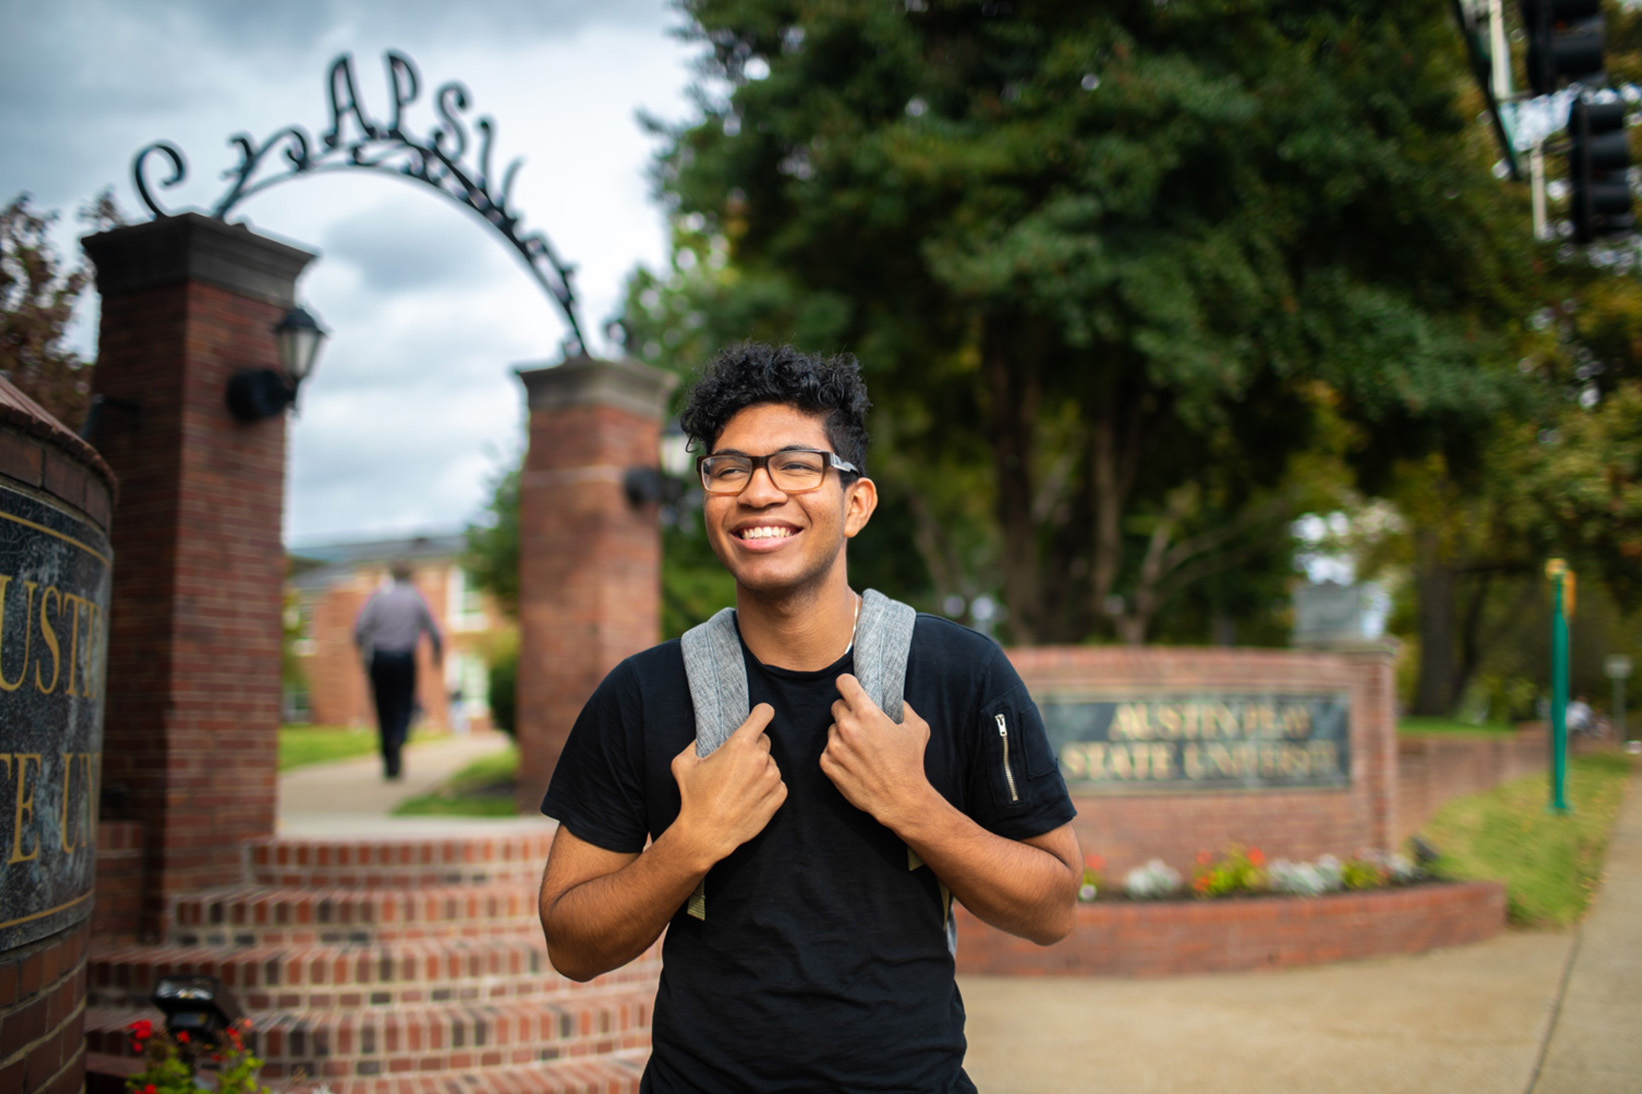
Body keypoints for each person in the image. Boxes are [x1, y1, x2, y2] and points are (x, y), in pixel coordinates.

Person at [537, 343, 1081, 1092]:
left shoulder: (962, 673)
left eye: (795, 465)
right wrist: (689, 844)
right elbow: (570, 942)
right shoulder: (643, 694)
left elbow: (1052, 906)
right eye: (730, 469)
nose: (758, 492)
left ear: (855, 504)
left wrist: (916, 807)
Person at [354, 559, 442, 779]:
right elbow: (434, 630)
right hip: (404, 659)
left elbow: (359, 629)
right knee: (404, 705)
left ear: (392, 575)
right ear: (410, 576)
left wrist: (363, 655)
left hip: (380, 659)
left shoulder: (377, 597)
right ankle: (398, 738)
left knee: (383, 709)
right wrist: (436, 655)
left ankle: (389, 762)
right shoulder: (416, 598)